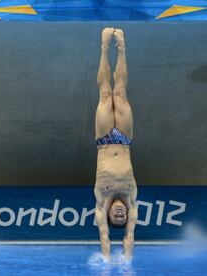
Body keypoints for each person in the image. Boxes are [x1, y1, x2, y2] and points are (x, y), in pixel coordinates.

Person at [94, 28, 138, 261]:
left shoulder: (101, 202)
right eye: (124, 218)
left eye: (116, 218)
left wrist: (108, 262)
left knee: (104, 94)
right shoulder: (131, 199)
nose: (120, 215)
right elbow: (129, 236)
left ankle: (103, 48)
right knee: (120, 93)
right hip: (124, 140)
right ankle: (121, 48)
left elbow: (104, 237)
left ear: (109, 215)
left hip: (103, 142)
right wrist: (128, 262)